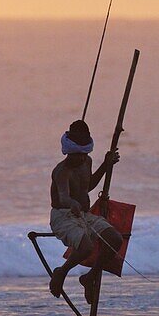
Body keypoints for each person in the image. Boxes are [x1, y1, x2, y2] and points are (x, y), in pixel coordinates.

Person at [48, 119, 122, 304]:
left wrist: (106, 165)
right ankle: (61, 272)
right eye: (77, 155)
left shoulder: (86, 161)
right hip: (63, 216)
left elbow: (87, 186)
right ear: (68, 152)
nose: (81, 159)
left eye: (84, 154)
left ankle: (90, 277)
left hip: (84, 215)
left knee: (114, 239)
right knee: (86, 247)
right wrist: (71, 203)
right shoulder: (61, 171)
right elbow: (63, 196)